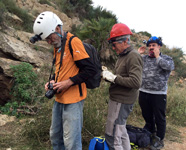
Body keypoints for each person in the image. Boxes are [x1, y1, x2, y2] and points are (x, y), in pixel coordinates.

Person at [32, 11, 96, 150]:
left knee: (71, 141)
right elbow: (61, 69)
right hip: (59, 98)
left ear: (57, 29)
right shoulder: (58, 45)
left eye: (49, 37)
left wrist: (68, 83)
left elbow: (90, 70)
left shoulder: (74, 42)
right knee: (55, 135)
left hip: (73, 100)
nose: (49, 42)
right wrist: (53, 81)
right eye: (46, 40)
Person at [102, 23, 143, 150]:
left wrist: (114, 78)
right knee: (121, 132)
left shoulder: (133, 56)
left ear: (125, 41)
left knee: (112, 136)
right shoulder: (123, 55)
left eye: (114, 44)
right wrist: (108, 76)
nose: (113, 48)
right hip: (119, 99)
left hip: (122, 101)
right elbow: (123, 77)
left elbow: (136, 82)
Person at [138, 36, 174, 150]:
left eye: (153, 45)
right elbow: (134, 63)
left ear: (159, 46)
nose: (151, 47)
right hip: (143, 92)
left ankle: (159, 138)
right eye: (149, 46)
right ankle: (150, 131)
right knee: (146, 114)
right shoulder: (144, 58)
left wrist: (158, 56)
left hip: (159, 94)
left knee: (159, 117)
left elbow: (168, 67)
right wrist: (139, 54)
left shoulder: (167, 58)